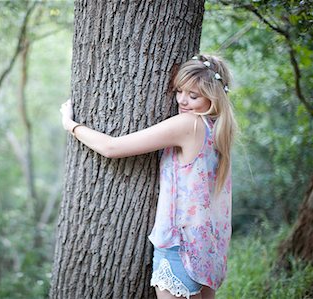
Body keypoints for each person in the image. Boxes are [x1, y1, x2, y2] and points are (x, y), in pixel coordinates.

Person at [60, 54, 236, 299]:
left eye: (193, 96)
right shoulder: (216, 129)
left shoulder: (189, 124)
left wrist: (71, 125)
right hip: (207, 248)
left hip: (180, 246)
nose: (183, 101)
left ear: (213, 97)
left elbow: (112, 148)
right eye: (179, 91)